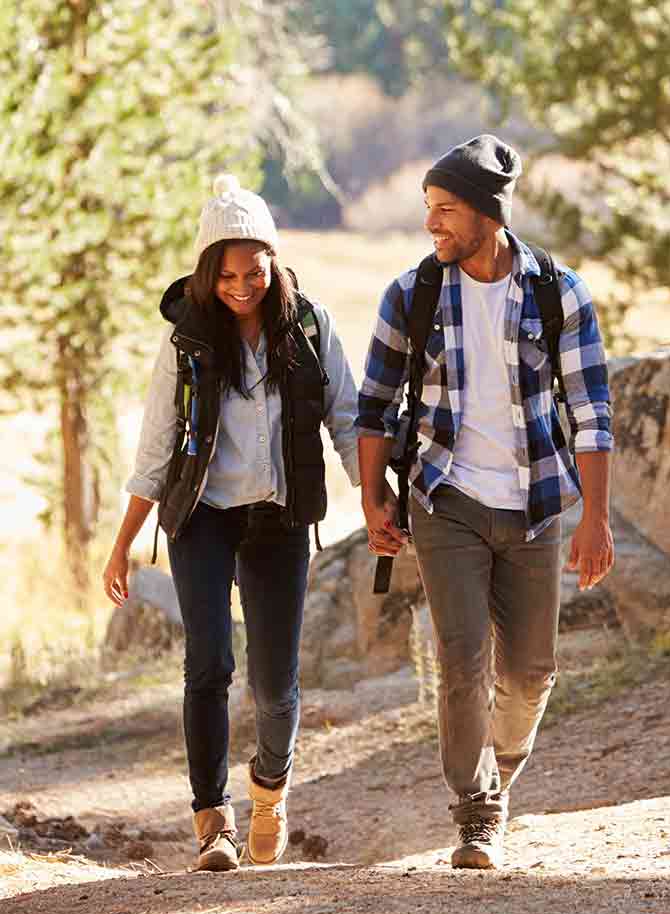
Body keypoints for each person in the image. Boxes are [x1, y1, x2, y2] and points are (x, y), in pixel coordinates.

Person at [356, 134, 617, 870]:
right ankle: (475, 811)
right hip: (446, 497)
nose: (432, 223)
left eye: (445, 210)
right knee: (462, 657)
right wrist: (374, 500)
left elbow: (592, 413)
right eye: (429, 209)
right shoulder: (412, 294)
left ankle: (496, 771)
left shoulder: (556, 291)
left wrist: (594, 518)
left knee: (532, 671)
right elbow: (373, 409)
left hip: (535, 503)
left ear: (487, 215)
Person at [104, 176, 365, 872]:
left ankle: (270, 791)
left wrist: (374, 497)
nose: (242, 285)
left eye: (254, 271)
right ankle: (211, 820)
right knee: (209, 662)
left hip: (279, 520)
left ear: (274, 261)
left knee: (275, 685)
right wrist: (123, 542)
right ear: (206, 271)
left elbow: (347, 421)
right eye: (227, 274)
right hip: (203, 518)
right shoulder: (186, 343)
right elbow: (156, 448)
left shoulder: (309, 328)